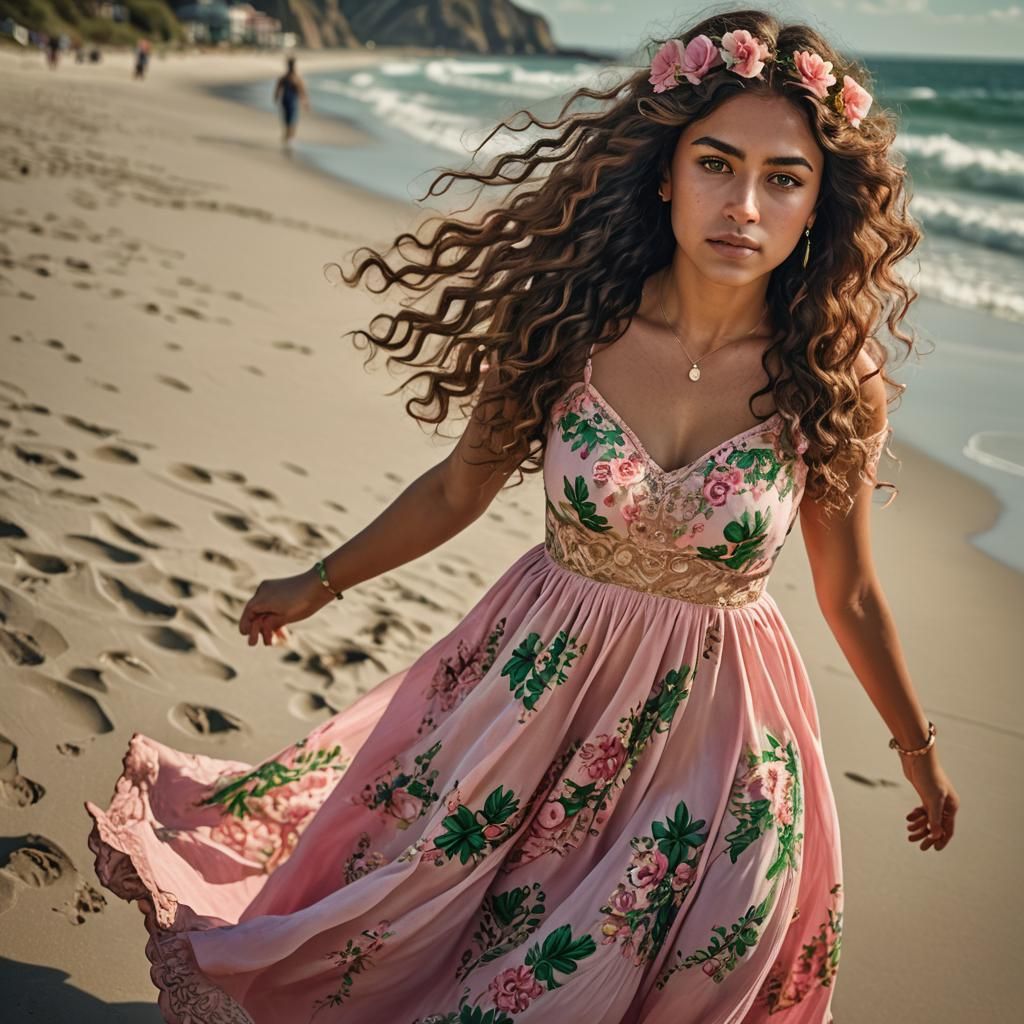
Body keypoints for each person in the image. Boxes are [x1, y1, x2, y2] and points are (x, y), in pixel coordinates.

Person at [85, 8, 959, 1023]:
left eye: (784, 178)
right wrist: (318, 582)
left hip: (719, 733)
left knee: (676, 955)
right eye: (717, 164)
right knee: (446, 933)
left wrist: (918, 753)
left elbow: (850, 592)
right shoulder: (569, 327)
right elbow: (456, 489)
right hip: (536, 690)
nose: (744, 206)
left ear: (817, 205)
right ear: (666, 171)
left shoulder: (831, 380)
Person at [274, 55, 310, 150]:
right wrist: (276, 97)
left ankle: (289, 138)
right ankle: (288, 138)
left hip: (291, 101)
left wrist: (305, 102)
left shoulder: (294, 78)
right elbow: (278, 88)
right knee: (288, 120)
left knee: (291, 120)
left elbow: (302, 91)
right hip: (287, 101)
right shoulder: (288, 77)